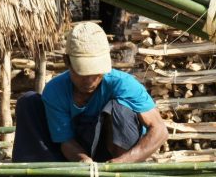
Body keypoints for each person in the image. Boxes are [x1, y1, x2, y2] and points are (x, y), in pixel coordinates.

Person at [13, 22, 168, 163]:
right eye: (83, 73)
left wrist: (123, 161)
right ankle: (42, 175)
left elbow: (159, 130)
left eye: (96, 73)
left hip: (116, 155)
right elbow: (65, 141)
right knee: (28, 102)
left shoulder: (123, 84)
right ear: (67, 61)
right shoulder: (56, 90)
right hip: (73, 156)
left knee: (121, 108)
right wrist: (83, 160)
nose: (90, 81)